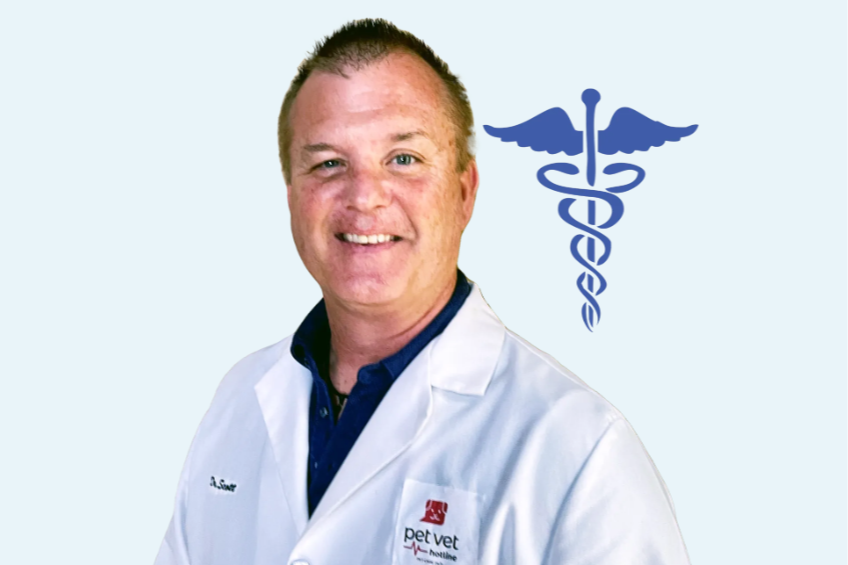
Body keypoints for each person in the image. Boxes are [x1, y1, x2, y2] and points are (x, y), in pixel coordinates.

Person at [154, 18, 690, 565]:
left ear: (463, 193)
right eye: (329, 163)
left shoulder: (580, 454)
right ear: (292, 196)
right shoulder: (239, 399)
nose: (365, 198)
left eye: (403, 160)